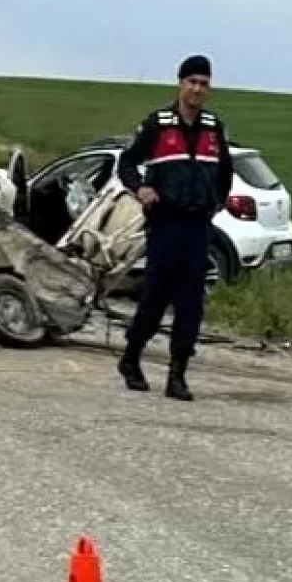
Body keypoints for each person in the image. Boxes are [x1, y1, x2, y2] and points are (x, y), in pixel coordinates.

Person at [115, 55, 234, 401]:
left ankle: (177, 374)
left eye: (203, 83)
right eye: (192, 82)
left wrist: (218, 200)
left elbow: (225, 171)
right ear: (180, 84)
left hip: (198, 226)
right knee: (155, 297)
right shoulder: (158, 124)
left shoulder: (213, 127)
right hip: (166, 224)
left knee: (191, 303)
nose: (197, 89)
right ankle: (131, 357)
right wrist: (140, 188)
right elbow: (126, 162)